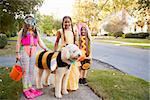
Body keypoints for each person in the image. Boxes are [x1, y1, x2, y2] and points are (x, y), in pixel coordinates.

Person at [16, 15, 46, 99]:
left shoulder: (36, 32)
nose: (30, 23)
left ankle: (30, 86)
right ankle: (25, 88)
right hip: (24, 51)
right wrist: (17, 53)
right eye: (28, 21)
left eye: (31, 21)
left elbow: (40, 42)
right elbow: (18, 43)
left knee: (31, 71)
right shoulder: (22, 31)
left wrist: (46, 48)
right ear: (25, 22)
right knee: (25, 71)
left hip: (33, 51)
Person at [54, 16, 80, 91]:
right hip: (63, 53)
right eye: (65, 22)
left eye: (68, 22)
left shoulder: (74, 30)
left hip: (72, 52)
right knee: (61, 70)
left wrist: (76, 49)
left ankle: (70, 86)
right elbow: (56, 42)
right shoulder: (60, 31)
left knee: (72, 70)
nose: (67, 23)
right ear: (63, 22)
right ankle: (59, 87)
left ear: (71, 22)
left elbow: (76, 42)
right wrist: (55, 51)